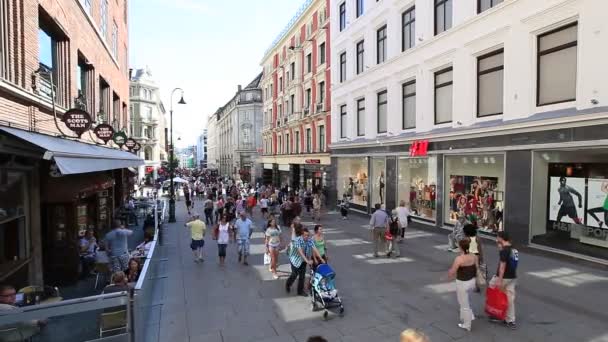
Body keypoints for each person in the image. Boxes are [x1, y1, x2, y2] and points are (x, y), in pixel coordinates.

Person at [447, 238, 478, 332]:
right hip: (472, 281)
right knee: (467, 300)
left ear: (460, 248)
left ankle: (467, 325)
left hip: (462, 283)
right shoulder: (474, 256)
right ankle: (470, 315)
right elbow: (476, 268)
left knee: (463, 304)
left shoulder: (459, 259)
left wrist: (449, 274)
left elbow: (452, 271)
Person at [489, 231, 518, 329]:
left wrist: (500, 280)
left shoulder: (505, 251)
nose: (496, 239)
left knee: (493, 288)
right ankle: (510, 320)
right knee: (510, 298)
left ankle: (497, 314)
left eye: (497, 237)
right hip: (512, 276)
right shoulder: (514, 249)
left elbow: (502, 266)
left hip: (503, 277)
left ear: (501, 238)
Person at [286, 225, 322, 296]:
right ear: (302, 235)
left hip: (303, 261)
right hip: (295, 260)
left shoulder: (309, 240)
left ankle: (300, 291)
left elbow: (314, 249)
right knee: (294, 275)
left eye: (308, 235)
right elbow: (301, 253)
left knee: (302, 276)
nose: (307, 237)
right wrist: (308, 261)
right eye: (305, 235)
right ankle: (288, 284)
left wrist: (321, 258)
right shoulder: (297, 240)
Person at [463, 224, 485, 292]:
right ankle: (475, 285)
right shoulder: (478, 238)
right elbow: (480, 249)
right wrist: (481, 257)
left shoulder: (466, 239)